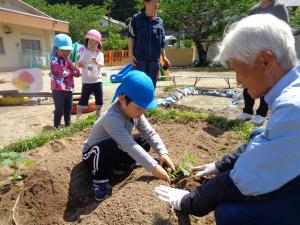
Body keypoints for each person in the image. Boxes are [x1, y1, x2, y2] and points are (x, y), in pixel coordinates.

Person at [154, 14, 300, 225]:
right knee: (258, 133)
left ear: (265, 61)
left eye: (237, 69)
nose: (239, 82)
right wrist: (220, 165)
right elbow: (266, 140)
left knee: (229, 214)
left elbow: (245, 180)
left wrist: (190, 201)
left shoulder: (293, 108)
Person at [82, 70, 175, 202]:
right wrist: (153, 167)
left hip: (116, 148)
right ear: (122, 99)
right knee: (111, 145)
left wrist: (163, 153)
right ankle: (100, 182)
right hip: (93, 155)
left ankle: (119, 166)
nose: (142, 112)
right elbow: (129, 146)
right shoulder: (112, 118)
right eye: (139, 108)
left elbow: (150, 133)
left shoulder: (136, 114)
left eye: (144, 108)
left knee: (143, 140)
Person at [237, 0, 289, 126]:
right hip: (253, 51)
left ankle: (261, 114)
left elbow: (284, 29)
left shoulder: (279, 7)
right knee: (248, 83)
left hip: (270, 51)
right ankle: (247, 111)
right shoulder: (253, 10)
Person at [128, 0, 171, 88]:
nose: (156, 4)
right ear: (145, 3)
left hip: (154, 61)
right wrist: (130, 54)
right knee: (137, 85)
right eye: (154, 1)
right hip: (139, 60)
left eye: (158, 2)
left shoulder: (160, 22)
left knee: (151, 86)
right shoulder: (136, 19)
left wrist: (164, 56)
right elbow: (131, 37)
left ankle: (149, 101)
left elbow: (162, 41)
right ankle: (135, 102)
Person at [50, 34, 80, 129]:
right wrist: (71, 70)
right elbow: (60, 73)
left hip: (68, 89)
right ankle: (57, 126)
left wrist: (75, 68)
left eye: (68, 50)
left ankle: (68, 124)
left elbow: (77, 74)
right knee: (59, 110)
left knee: (68, 108)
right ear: (56, 49)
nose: (66, 53)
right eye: (63, 50)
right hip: (58, 90)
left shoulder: (67, 60)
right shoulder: (54, 60)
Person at [77, 29, 104, 118]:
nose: (93, 44)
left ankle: (98, 112)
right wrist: (80, 64)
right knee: (84, 97)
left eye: (95, 42)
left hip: (97, 79)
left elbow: (102, 64)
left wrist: (96, 62)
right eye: (91, 41)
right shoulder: (83, 51)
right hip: (87, 80)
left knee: (99, 97)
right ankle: (79, 114)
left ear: (98, 44)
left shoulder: (99, 54)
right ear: (87, 41)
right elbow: (79, 63)